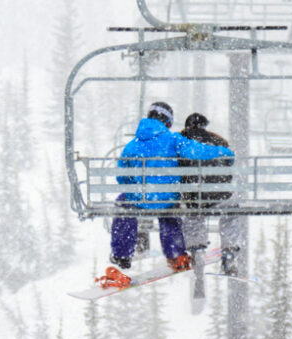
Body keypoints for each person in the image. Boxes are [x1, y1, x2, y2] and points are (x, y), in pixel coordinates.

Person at [99, 102, 234, 289]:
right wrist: (224, 152)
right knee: (170, 214)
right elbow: (197, 151)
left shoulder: (132, 145)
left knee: (123, 206)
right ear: (168, 122)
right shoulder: (174, 140)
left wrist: (132, 189)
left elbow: (123, 175)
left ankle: (122, 255)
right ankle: (176, 255)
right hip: (167, 198)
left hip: (140, 198)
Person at [178, 112, 233, 255]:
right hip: (220, 194)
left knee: (193, 211)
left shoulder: (181, 142)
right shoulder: (219, 142)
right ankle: (230, 248)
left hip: (193, 195)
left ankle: (197, 249)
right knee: (231, 212)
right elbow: (230, 165)